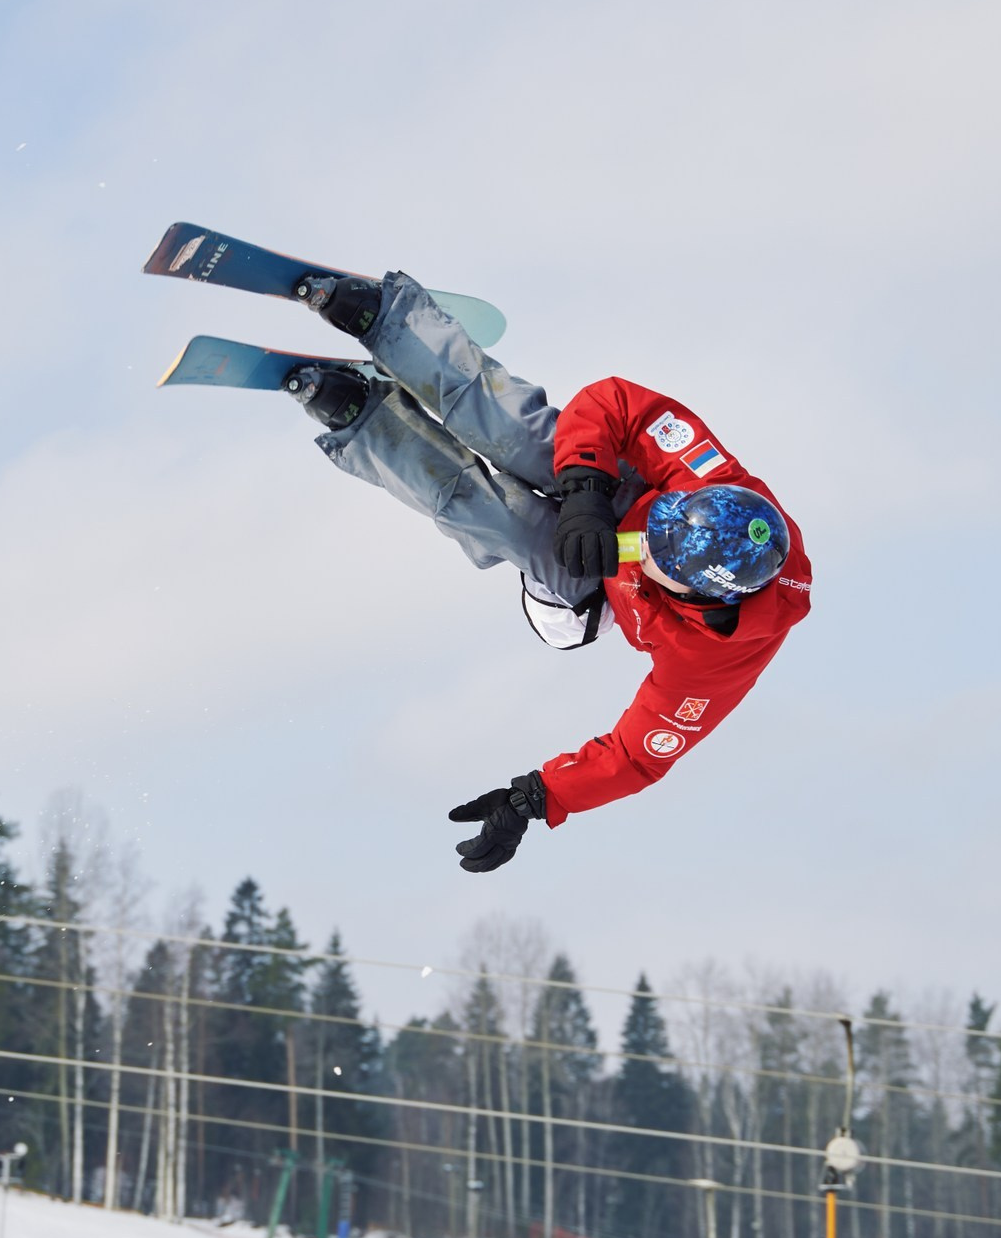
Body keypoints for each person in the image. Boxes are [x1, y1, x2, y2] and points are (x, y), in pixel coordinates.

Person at [278, 270, 813, 873]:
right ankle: (391, 323)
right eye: (662, 525)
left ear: (696, 592)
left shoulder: (709, 666)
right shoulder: (717, 484)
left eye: (661, 554)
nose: (646, 542)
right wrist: (585, 487)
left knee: (501, 520)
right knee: (520, 434)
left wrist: (535, 798)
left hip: (590, 596)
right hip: (618, 492)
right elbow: (617, 402)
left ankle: (369, 422)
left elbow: (638, 756)